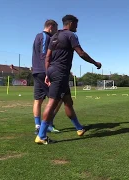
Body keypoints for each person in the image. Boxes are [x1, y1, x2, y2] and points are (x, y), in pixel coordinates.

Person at [35, 15, 102, 144]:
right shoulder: (71, 35)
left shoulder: (54, 36)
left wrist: (48, 73)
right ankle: (41, 135)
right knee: (52, 102)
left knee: (68, 101)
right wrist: (95, 63)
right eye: (76, 24)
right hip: (60, 73)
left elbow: (48, 57)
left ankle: (79, 128)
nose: (77, 27)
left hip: (54, 71)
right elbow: (81, 53)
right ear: (70, 23)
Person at [32, 20, 62, 135]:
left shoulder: (37, 36)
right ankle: (48, 124)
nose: (55, 31)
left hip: (36, 71)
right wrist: (48, 73)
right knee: (57, 98)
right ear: (51, 27)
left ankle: (38, 125)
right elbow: (44, 55)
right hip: (43, 72)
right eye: (55, 28)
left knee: (38, 99)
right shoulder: (44, 36)